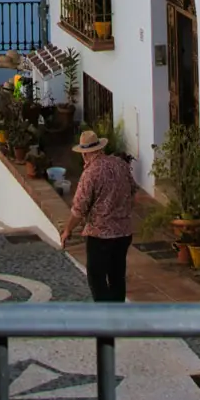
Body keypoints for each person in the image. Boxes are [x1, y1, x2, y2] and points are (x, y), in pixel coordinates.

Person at [60, 128, 136, 301]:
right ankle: (117, 316)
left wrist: (67, 230)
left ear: (85, 154)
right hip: (124, 233)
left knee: (97, 278)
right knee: (117, 276)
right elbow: (133, 192)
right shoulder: (120, 164)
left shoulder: (90, 174)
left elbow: (79, 209)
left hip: (100, 236)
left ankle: (105, 318)